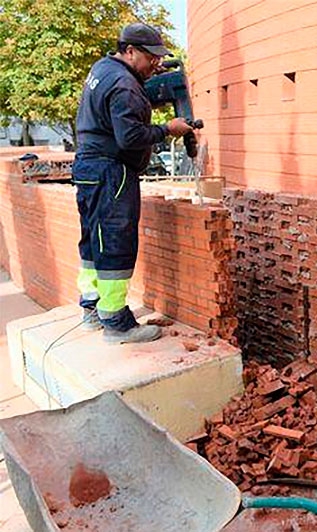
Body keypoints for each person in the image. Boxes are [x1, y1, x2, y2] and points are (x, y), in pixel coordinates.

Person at [72, 22, 195, 344]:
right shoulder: (125, 86)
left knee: (92, 239)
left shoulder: (103, 68)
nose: (155, 63)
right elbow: (130, 137)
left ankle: (91, 308)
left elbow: (114, 114)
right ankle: (116, 323)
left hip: (88, 167)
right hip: (112, 171)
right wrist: (167, 129)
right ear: (129, 51)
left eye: (159, 58)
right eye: (150, 57)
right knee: (115, 241)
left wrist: (147, 88)